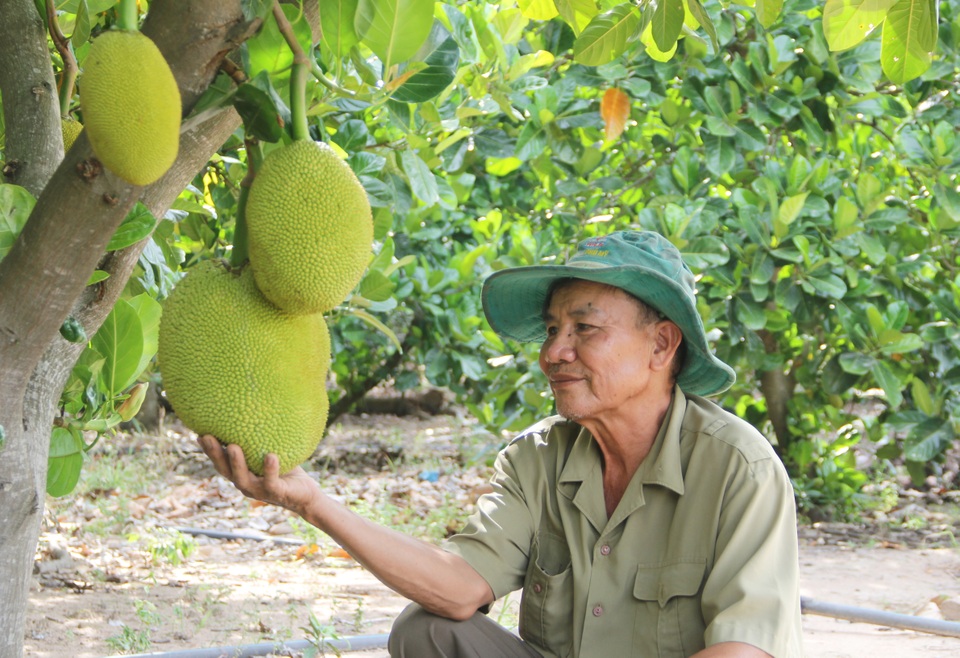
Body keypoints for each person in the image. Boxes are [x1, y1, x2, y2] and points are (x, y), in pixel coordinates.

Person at [198, 230, 804, 657]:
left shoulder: (737, 468)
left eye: (584, 329)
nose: (553, 353)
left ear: (661, 346)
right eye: (551, 330)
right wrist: (311, 503)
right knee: (429, 631)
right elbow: (459, 587)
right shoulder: (538, 456)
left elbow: (741, 650)